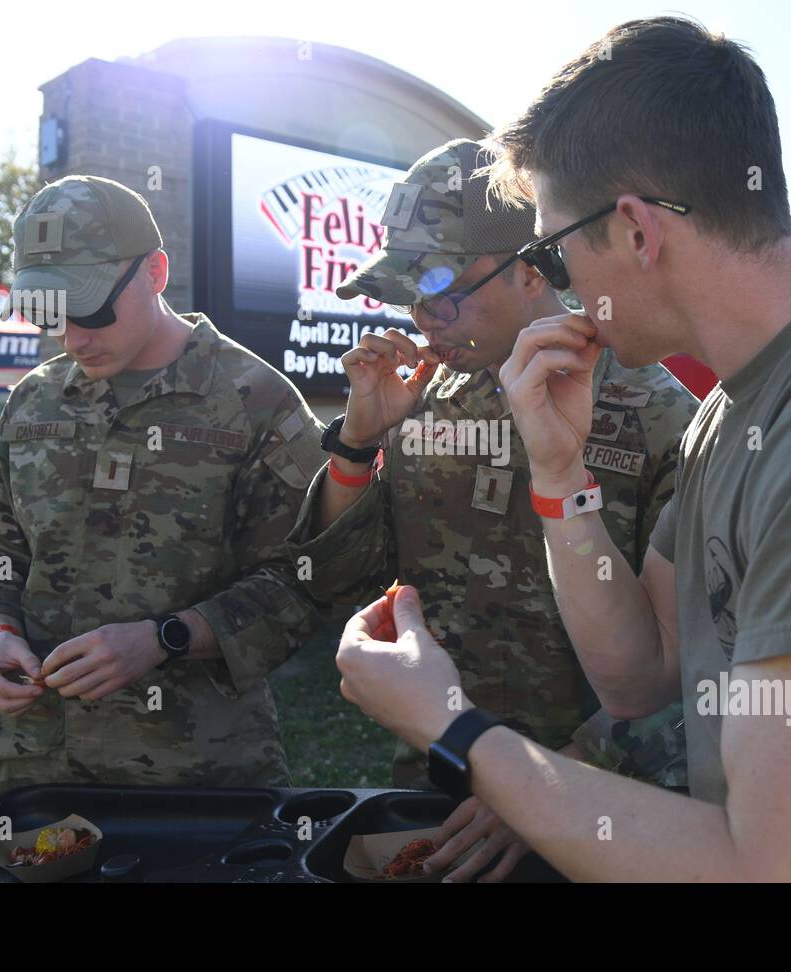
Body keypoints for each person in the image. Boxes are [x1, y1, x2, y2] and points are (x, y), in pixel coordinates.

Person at [335, 16, 791, 881]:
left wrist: (453, 727)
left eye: (555, 253)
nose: (556, 284)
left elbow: (783, 870)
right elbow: (641, 676)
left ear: (640, 232)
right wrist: (559, 474)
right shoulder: (744, 405)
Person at [290, 138, 699, 881]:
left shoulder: (660, 415)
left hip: (604, 809)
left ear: (532, 266)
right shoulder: (424, 398)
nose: (423, 319)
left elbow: (707, 663)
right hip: (436, 795)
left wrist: (558, 770)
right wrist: (356, 445)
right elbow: (331, 585)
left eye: (443, 292)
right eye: (406, 296)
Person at [0, 174, 326, 805]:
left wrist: (166, 638)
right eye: (50, 314)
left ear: (155, 272)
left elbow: (307, 580)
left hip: (198, 777)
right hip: (36, 768)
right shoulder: (34, 398)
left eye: (93, 308)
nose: (73, 338)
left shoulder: (255, 401)